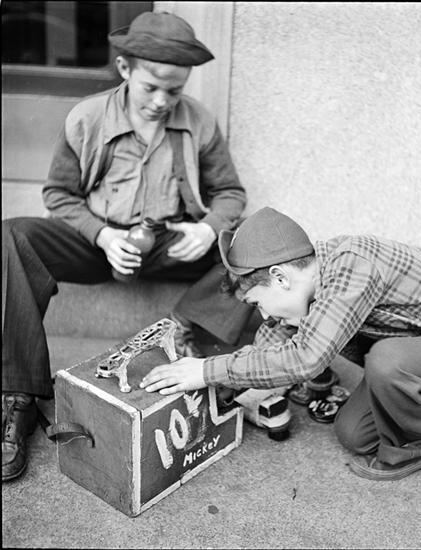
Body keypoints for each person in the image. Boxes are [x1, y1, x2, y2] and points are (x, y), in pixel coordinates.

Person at [1, 11, 254, 482]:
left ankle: (198, 346)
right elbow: (58, 195)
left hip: (169, 242)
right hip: (99, 242)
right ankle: (17, 394)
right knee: (12, 235)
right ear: (124, 69)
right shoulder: (86, 118)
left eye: (174, 91)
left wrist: (206, 229)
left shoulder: (199, 122)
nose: (162, 102)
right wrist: (102, 235)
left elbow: (230, 195)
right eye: (150, 87)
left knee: (247, 243)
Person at [140, 207, 421, 481]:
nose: (263, 314)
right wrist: (227, 385)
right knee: (354, 434)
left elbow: (306, 358)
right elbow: (275, 339)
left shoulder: (353, 266)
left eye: (257, 303)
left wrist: (208, 369)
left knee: (387, 360)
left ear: (280, 278)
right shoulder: (313, 279)